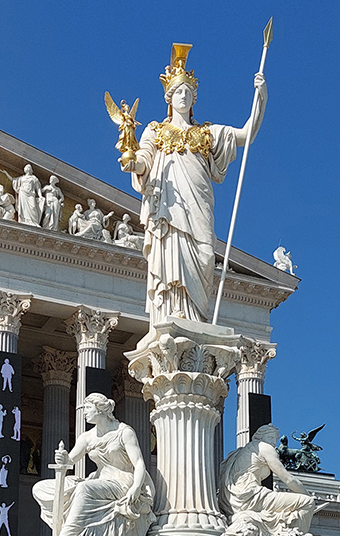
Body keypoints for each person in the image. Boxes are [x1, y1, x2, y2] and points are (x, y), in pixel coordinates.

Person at [121, 44, 267, 326]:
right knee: (170, 256)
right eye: (178, 92)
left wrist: (260, 99)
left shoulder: (207, 133)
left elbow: (246, 134)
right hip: (168, 207)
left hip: (198, 204)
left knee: (204, 255)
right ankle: (172, 314)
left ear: (195, 98)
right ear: (169, 97)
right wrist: (133, 163)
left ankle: (196, 318)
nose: (183, 96)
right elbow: (143, 160)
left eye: (188, 92)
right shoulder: (156, 130)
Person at [32, 393, 154, 536]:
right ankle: (69, 531)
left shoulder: (124, 432)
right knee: (40, 488)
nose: (84, 412)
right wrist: (62, 458)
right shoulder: (87, 437)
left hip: (122, 481)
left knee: (84, 488)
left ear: (101, 409)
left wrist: (136, 488)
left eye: (88, 408)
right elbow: (70, 461)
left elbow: (138, 463)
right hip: (99, 480)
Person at [218, 424, 314, 536]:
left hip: (231, 502)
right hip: (250, 496)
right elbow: (287, 478)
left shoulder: (237, 453)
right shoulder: (264, 447)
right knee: (306, 503)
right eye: (273, 439)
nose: (274, 444)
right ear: (267, 436)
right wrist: (308, 496)